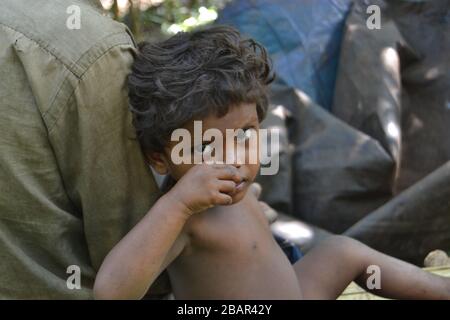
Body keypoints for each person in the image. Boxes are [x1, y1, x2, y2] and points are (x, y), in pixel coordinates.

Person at [93, 26, 450, 300]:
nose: (233, 158)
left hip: (294, 289)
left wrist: (256, 217)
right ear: (159, 159)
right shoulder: (184, 218)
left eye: (245, 135)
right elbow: (111, 291)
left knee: (342, 250)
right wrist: (178, 203)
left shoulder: (236, 189)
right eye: (205, 146)